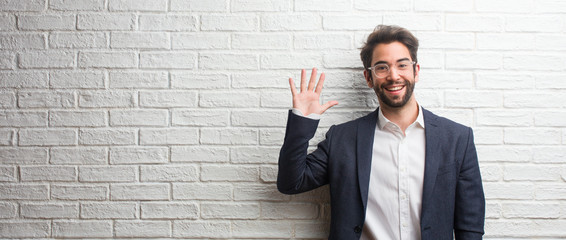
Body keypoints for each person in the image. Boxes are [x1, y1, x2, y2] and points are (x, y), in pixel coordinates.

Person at [277, 25, 485, 240]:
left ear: (416, 71)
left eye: (402, 65)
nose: (393, 76)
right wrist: (302, 122)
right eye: (382, 67)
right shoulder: (342, 138)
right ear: (369, 78)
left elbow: (470, 225)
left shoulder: (457, 138)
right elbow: (291, 183)